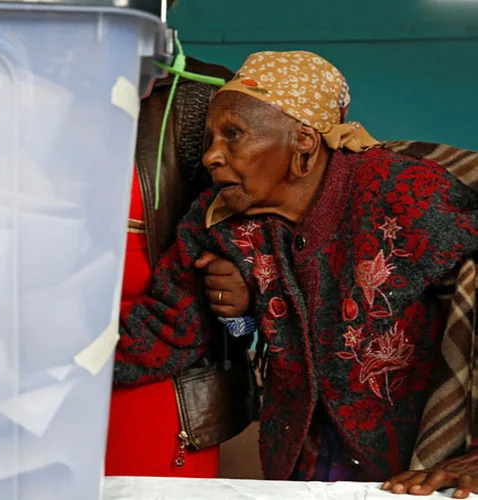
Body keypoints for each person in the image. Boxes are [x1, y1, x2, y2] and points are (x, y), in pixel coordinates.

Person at [114, 50, 478, 496]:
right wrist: (43, 361)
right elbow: (166, 328)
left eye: (233, 135)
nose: (211, 156)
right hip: (304, 460)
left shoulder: (402, 193)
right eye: (211, 138)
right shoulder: (221, 220)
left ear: (303, 141)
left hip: (424, 465)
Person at [104, 4, 257, 478]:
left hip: (160, 369)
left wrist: (243, 305)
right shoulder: (3, 89)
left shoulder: (201, 96)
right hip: (31, 355)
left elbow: (251, 232)